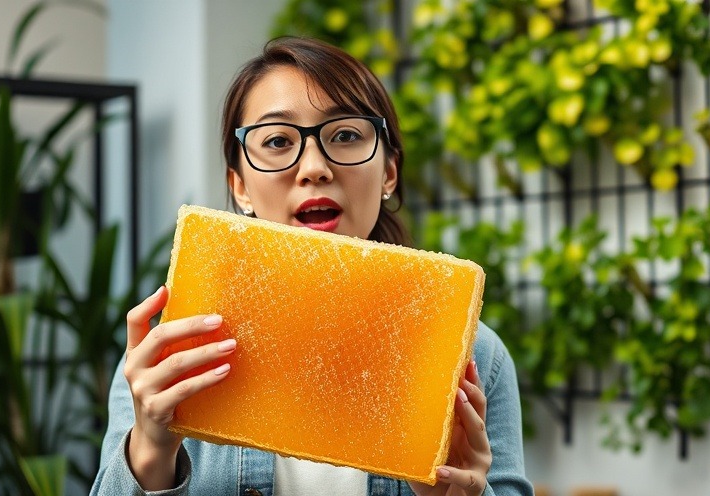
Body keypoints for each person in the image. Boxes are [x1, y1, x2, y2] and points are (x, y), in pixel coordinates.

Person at [91, 36, 533, 496]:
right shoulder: (169, 360)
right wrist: (149, 452)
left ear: (388, 173)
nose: (314, 167)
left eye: (345, 135)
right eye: (278, 140)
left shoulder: (475, 357)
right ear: (239, 186)